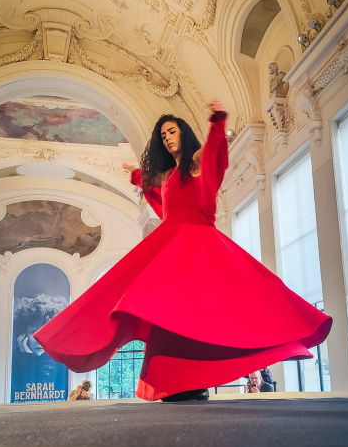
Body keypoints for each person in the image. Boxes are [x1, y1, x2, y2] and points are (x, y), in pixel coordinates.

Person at [34, 99, 332, 401]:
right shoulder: (169, 174)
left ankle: (192, 378)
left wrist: (217, 123)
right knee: (165, 310)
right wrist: (138, 176)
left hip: (197, 241)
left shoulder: (195, 161)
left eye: (172, 132)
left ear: (184, 133)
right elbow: (165, 205)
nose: (167, 138)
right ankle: (176, 380)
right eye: (163, 135)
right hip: (173, 242)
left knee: (209, 307)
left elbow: (215, 157)